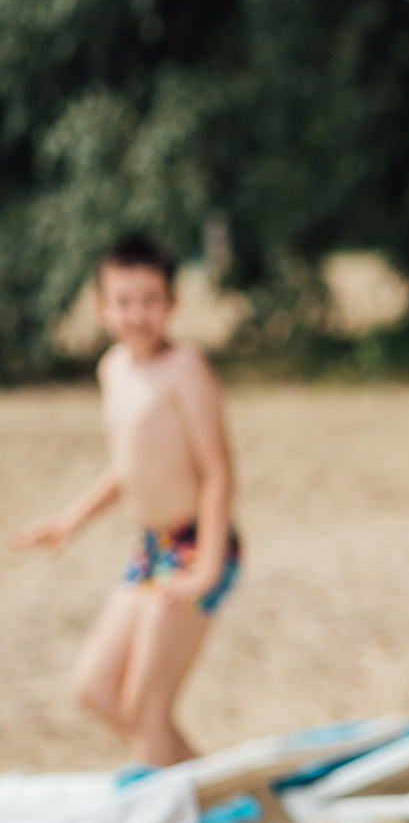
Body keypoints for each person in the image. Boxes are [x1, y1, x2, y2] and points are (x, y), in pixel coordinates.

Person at [13, 234, 241, 767]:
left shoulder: (185, 368)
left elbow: (217, 472)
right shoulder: (113, 370)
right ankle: (228, 799)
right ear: (101, 308)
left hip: (194, 546)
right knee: (95, 689)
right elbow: (130, 467)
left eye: (150, 300)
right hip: (151, 547)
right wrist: (71, 520)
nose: (137, 314)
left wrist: (206, 566)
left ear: (172, 304)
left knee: (146, 705)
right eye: (123, 302)